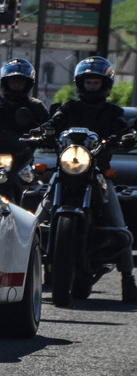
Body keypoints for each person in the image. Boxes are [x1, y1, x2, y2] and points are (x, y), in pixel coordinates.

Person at [37, 56, 137, 302]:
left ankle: (128, 278)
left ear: (105, 85)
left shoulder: (112, 112)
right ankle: (23, 251)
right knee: (39, 212)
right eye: (88, 82)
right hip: (68, 168)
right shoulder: (69, 108)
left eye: (96, 83)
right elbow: (55, 121)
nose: (92, 87)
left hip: (98, 172)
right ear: (81, 84)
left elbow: (125, 128)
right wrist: (45, 130)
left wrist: (127, 136)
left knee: (118, 223)